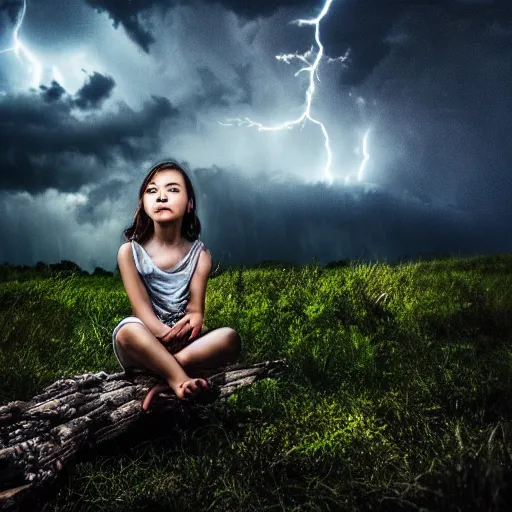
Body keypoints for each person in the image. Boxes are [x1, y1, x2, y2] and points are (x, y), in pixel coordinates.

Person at [112, 161, 241, 410]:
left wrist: (191, 324)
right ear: (143, 204)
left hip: (184, 343)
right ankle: (179, 379)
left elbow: (195, 312)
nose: (161, 196)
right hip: (145, 342)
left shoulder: (200, 254)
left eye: (172, 189)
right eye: (152, 191)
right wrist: (162, 335)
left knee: (231, 338)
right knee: (127, 330)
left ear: (190, 203)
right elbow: (142, 311)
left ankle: (167, 368)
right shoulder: (129, 252)